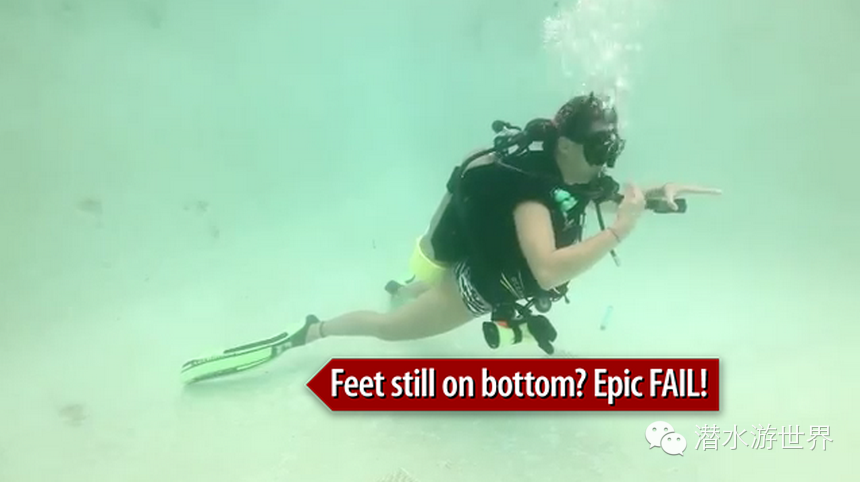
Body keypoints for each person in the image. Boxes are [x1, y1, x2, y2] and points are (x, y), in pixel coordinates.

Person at [287, 93, 721, 352]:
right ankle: (315, 330)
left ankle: (402, 289)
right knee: (389, 331)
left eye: (610, 151)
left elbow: (618, 198)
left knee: (422, 292)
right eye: (598, 151)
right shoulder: (532, 196)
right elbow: (546, 269)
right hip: (473, 289)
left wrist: (659, 194)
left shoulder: (575, 178)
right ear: (565, 146)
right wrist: (618, 232)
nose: (604, 163)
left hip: (484, 261)